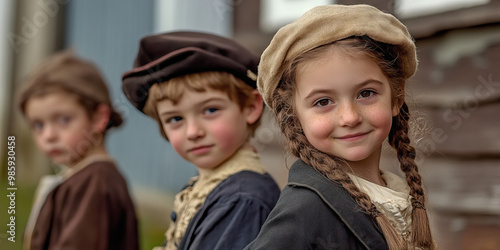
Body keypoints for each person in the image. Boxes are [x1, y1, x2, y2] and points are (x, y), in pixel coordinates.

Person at [245, 4, 437, 250]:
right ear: (295, 118)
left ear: (396, 98)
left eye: (366, 93)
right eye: (323, 102)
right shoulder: (306, 209)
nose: (349, 117)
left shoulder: (393, 192)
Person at [122, 31, 280, 250]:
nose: (193, 132)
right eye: (175, 118)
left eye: (210, 110)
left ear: (251, 107)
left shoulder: (242, 201)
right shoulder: (208, 185)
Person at [18, 51, 139, 250]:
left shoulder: (96, 184)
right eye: (38, 125)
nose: (49, 135)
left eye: (63, 119)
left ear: (99, 117)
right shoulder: (80, 178)